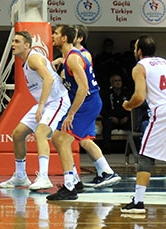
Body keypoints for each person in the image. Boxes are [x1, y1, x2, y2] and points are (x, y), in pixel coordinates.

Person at [121, 35, 166, 214]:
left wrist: (127, 105)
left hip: (165, 110)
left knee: (146, 155)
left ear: (139, 51)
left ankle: (138, 202)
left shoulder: (139, 67)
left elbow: (139, 97)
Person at [47, 25, 120, 201]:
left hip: (87, 103)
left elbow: (84, 88)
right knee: (59, 138)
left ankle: (70, 187)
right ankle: (77, 180)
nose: (53, 36)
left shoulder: (74, 58)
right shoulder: (68, 57)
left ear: (64, 38)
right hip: (85, 103)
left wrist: (71, 114)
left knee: (62, 139)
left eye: (56, 33)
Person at [0, 31, 70, 191]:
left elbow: (50, 79)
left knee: (40, 133)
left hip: (57, 101)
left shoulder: (33, 57)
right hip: (44, 103)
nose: (13, 44)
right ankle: (20, 176)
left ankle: (44, 177)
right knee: (18, 134)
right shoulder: (26, 61)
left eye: (17, 41)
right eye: (13, 41)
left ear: (27, 45)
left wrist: (41, 105)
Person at [100, 74, 130, 154]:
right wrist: (110, 117)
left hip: (125, 119)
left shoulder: (126, 93)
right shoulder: (106, 94)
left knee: (132, 125)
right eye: (115, 81)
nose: (118, 83)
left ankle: (134, 150)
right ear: (111, 83)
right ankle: (106, 150)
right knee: (106, 124)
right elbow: (102, 109)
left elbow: (131, 107)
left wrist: (127, 117)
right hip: (111, 119)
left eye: (119, 80)